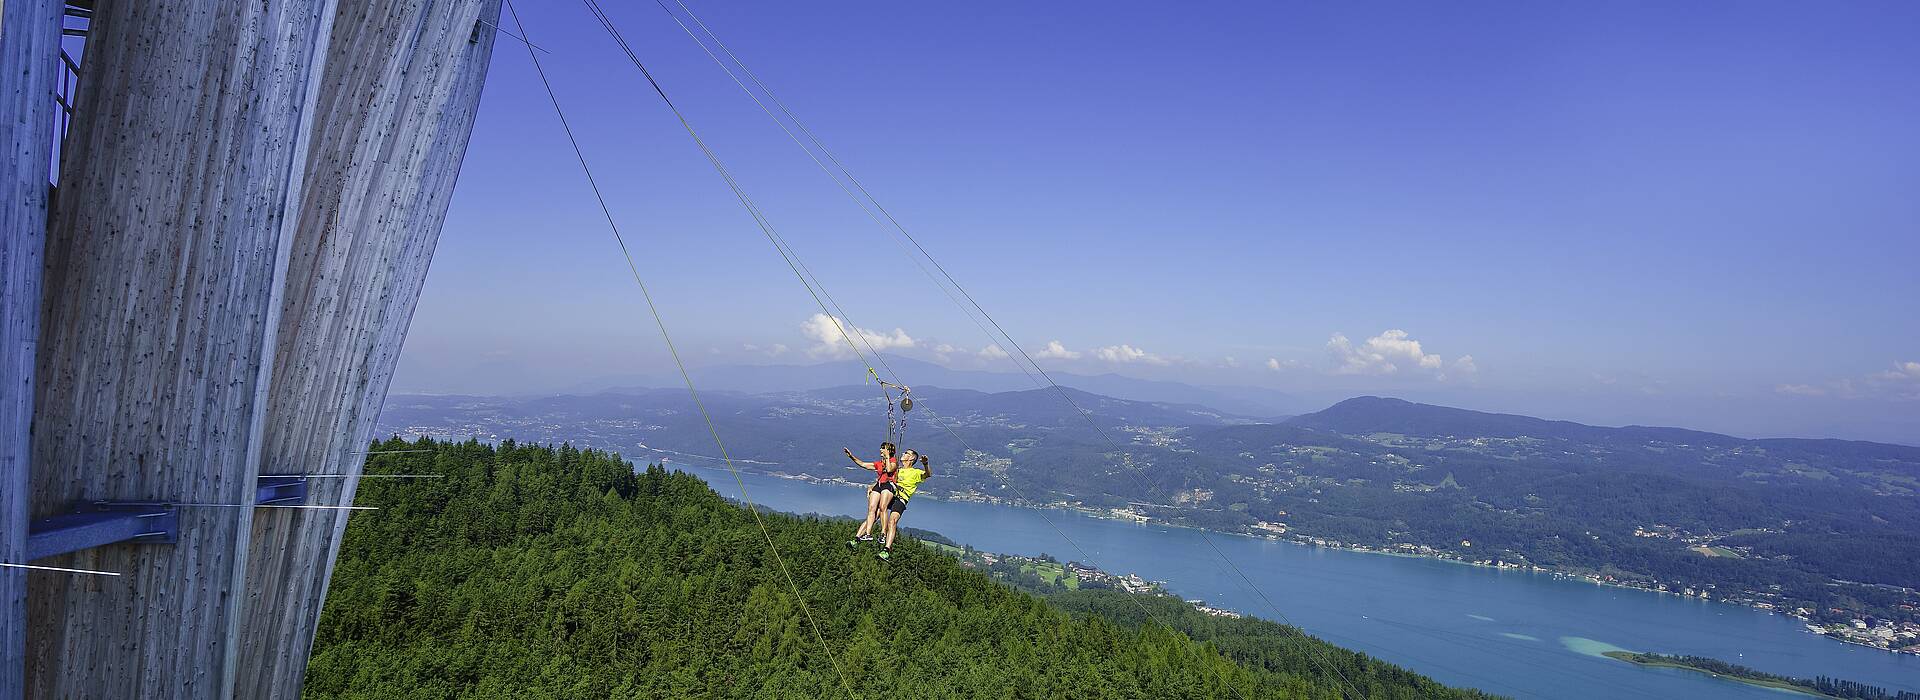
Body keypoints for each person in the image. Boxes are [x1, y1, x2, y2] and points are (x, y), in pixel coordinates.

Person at [877, 451, 931, 560]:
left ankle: (886, 549)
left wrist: (925, 464)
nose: (903, 453)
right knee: (876, 513)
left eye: (906, 453)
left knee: (892, 521)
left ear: (911, 458)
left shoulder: (915, 472)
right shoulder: (897, 470)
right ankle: (862, 536)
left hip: (901, 499)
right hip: (891, 494)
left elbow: (927, 474)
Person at [846, 442, 899, 547]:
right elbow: (863, 464)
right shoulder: (878, 463)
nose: (880, 450)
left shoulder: (894, 462)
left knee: (883, 507)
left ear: (888, 450)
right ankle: (868, 533)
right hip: (879, 484)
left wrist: (888, 457)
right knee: (871, 508)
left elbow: (889, 469)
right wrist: (852, 457)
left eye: (883, 448)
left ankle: (883, 533)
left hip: (889, 484)